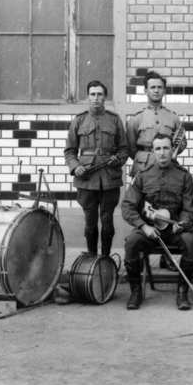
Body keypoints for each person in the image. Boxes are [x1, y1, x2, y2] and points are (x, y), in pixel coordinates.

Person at [120, 133, 193, 311]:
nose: (162, 152)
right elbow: (127, 205)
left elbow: (190, 208)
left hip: (174, 229)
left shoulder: (184, 176)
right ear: (153, 151)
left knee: (191, 241)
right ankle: (135, 292)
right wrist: (143, 226)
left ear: (172, 150)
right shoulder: (142, 176)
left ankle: (182, 293)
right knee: (131, 242)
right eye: (158, 148)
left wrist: (183, 223)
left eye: (166, 148)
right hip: (149, 228)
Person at [64, 80, 128, 257]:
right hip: (86, 178)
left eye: (100, 94)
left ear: (105, 97)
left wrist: (118, 160)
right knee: (90, 221)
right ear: (87, 97)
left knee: (107, 221)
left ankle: (106, 259)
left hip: (109, 178)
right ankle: (92, 259)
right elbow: (69, 151)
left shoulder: (114, 119)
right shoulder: (79, 120)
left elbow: (124, 149)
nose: (96, 98)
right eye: (93, 94)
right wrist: (76, 167)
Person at [126, 71, 186, 178]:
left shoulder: (173, 117)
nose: (156, 90)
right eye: (153, 87)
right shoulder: (136, 119)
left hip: (168, 166)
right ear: (146, 91)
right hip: (143, 167)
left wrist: (169, 153)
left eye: (160, 87)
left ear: (164, 91)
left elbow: (182, 143)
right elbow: (130, 148)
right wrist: (143, 157)